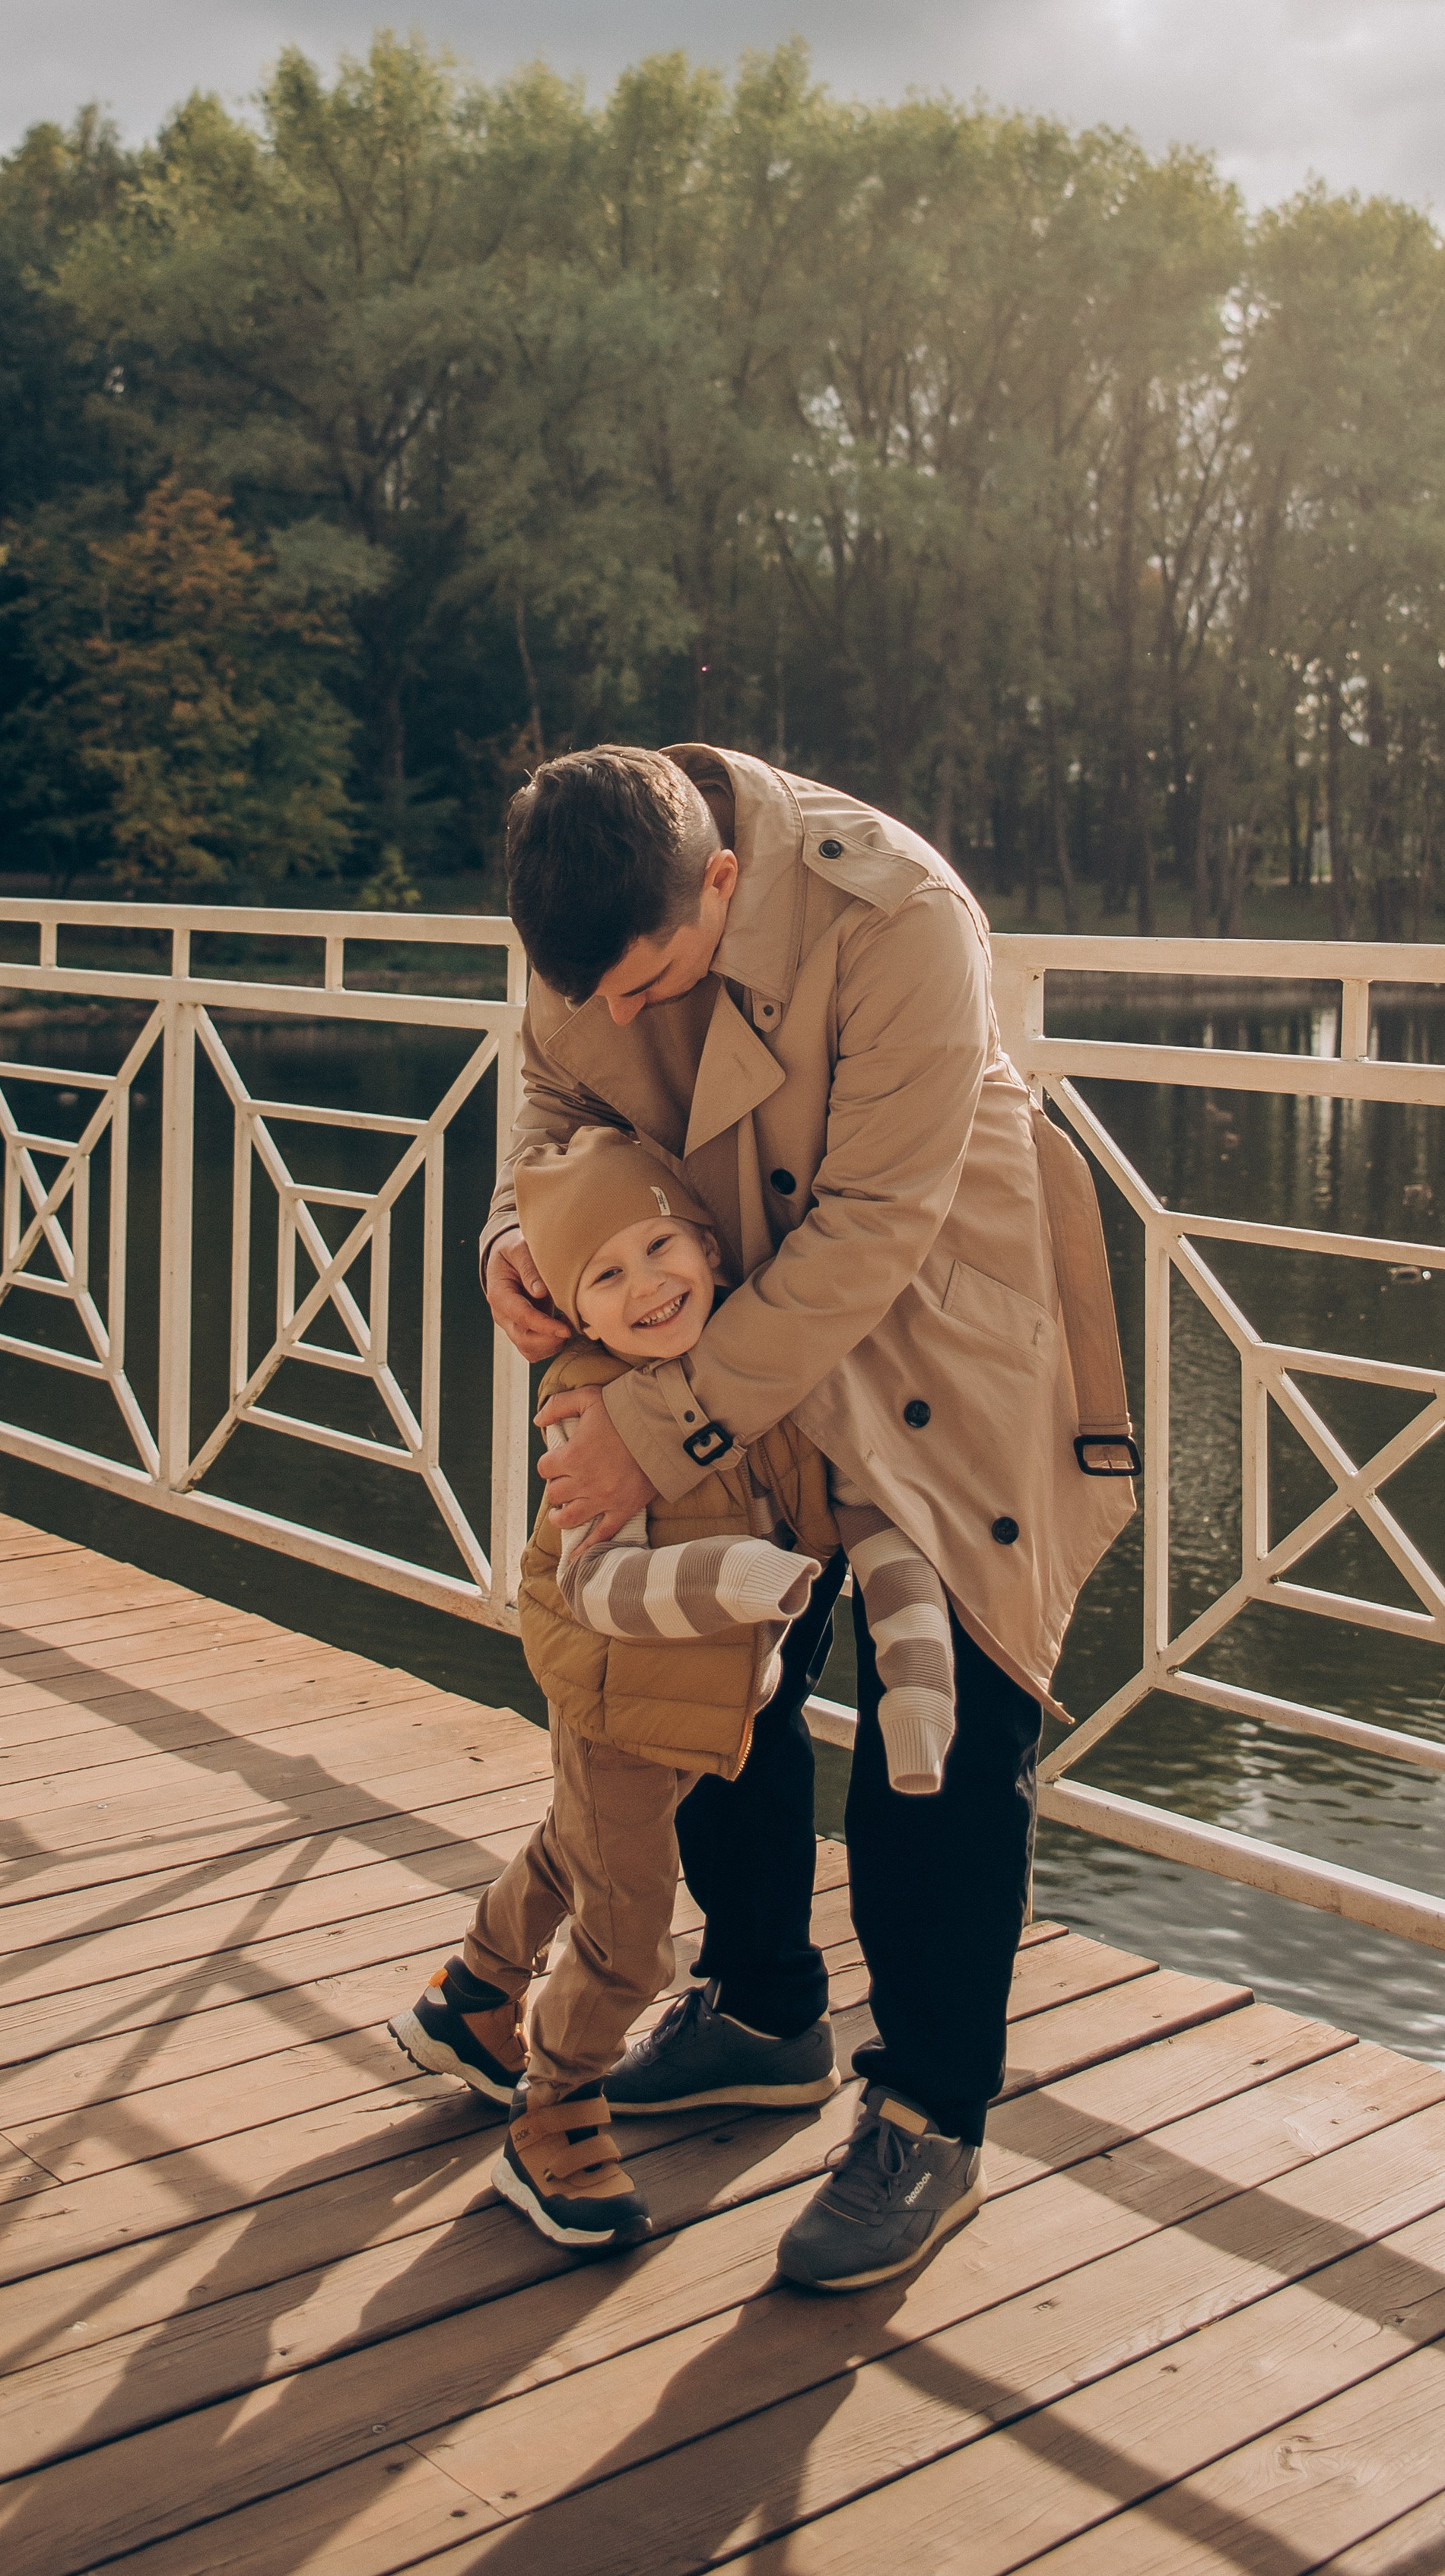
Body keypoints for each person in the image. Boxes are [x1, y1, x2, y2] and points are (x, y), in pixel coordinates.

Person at [478, 743, 1138, 2292]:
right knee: (707, 1666)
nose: (626, 1015)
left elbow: (868, 1229)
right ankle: (764, 2012)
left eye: (654, 985)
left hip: (929, 1329)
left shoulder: (900, 913)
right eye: (606, 994)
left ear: (718, 879)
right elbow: (552, 1086)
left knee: (949, 1725)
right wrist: (521, 1222)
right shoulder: (598, 889)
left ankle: (929, 2117)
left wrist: (651, 1427)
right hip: (706, 1295)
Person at [390, 1124, 960, 2257]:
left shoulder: (770, 1378)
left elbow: (870, 1516)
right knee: (630, 1928)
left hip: (708, 1698)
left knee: (579, 1846)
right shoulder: (585, 1407)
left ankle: (475, 1996)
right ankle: (553, 2111)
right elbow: (599, 1585)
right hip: (613, 1687)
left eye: (661, 1247)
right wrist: (742, 1579)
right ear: (573, 1310)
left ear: (707, 1241)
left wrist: (917, 1670)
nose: (646, 1286)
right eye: (605, 1274)